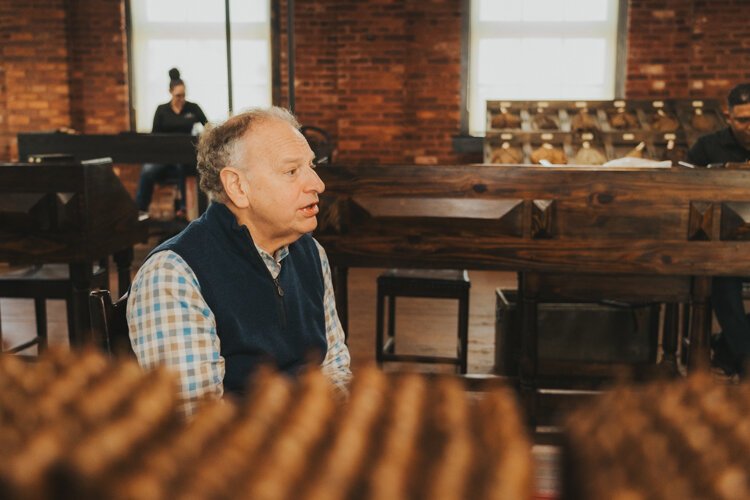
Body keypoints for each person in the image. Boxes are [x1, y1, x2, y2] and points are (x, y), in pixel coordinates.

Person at [126, 106, 352, 415]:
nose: (317, 184)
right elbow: (196, 422)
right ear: (237, 186)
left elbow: (334, 369)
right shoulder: (174, 275)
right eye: (291, 171)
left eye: (312, 166)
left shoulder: (311, 253)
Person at [687, 82, 750, 376]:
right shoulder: (707, 148)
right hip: (719, 251)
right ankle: (746, 358)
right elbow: (684, 194)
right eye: (743, 120)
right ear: (728, 117)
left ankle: (727, 346)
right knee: (722, 284)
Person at [135, 68, 208, 218]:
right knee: (147, 171)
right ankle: (141, 210)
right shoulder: (162, 110)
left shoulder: (193, 108)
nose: (181, 99)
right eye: (178, 95)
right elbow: (154, 136)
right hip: (164, 156)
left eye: (183, 95)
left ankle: (183, 208)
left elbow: (208, 126)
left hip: (186, 156)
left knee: (183, 166)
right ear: (170, 92)